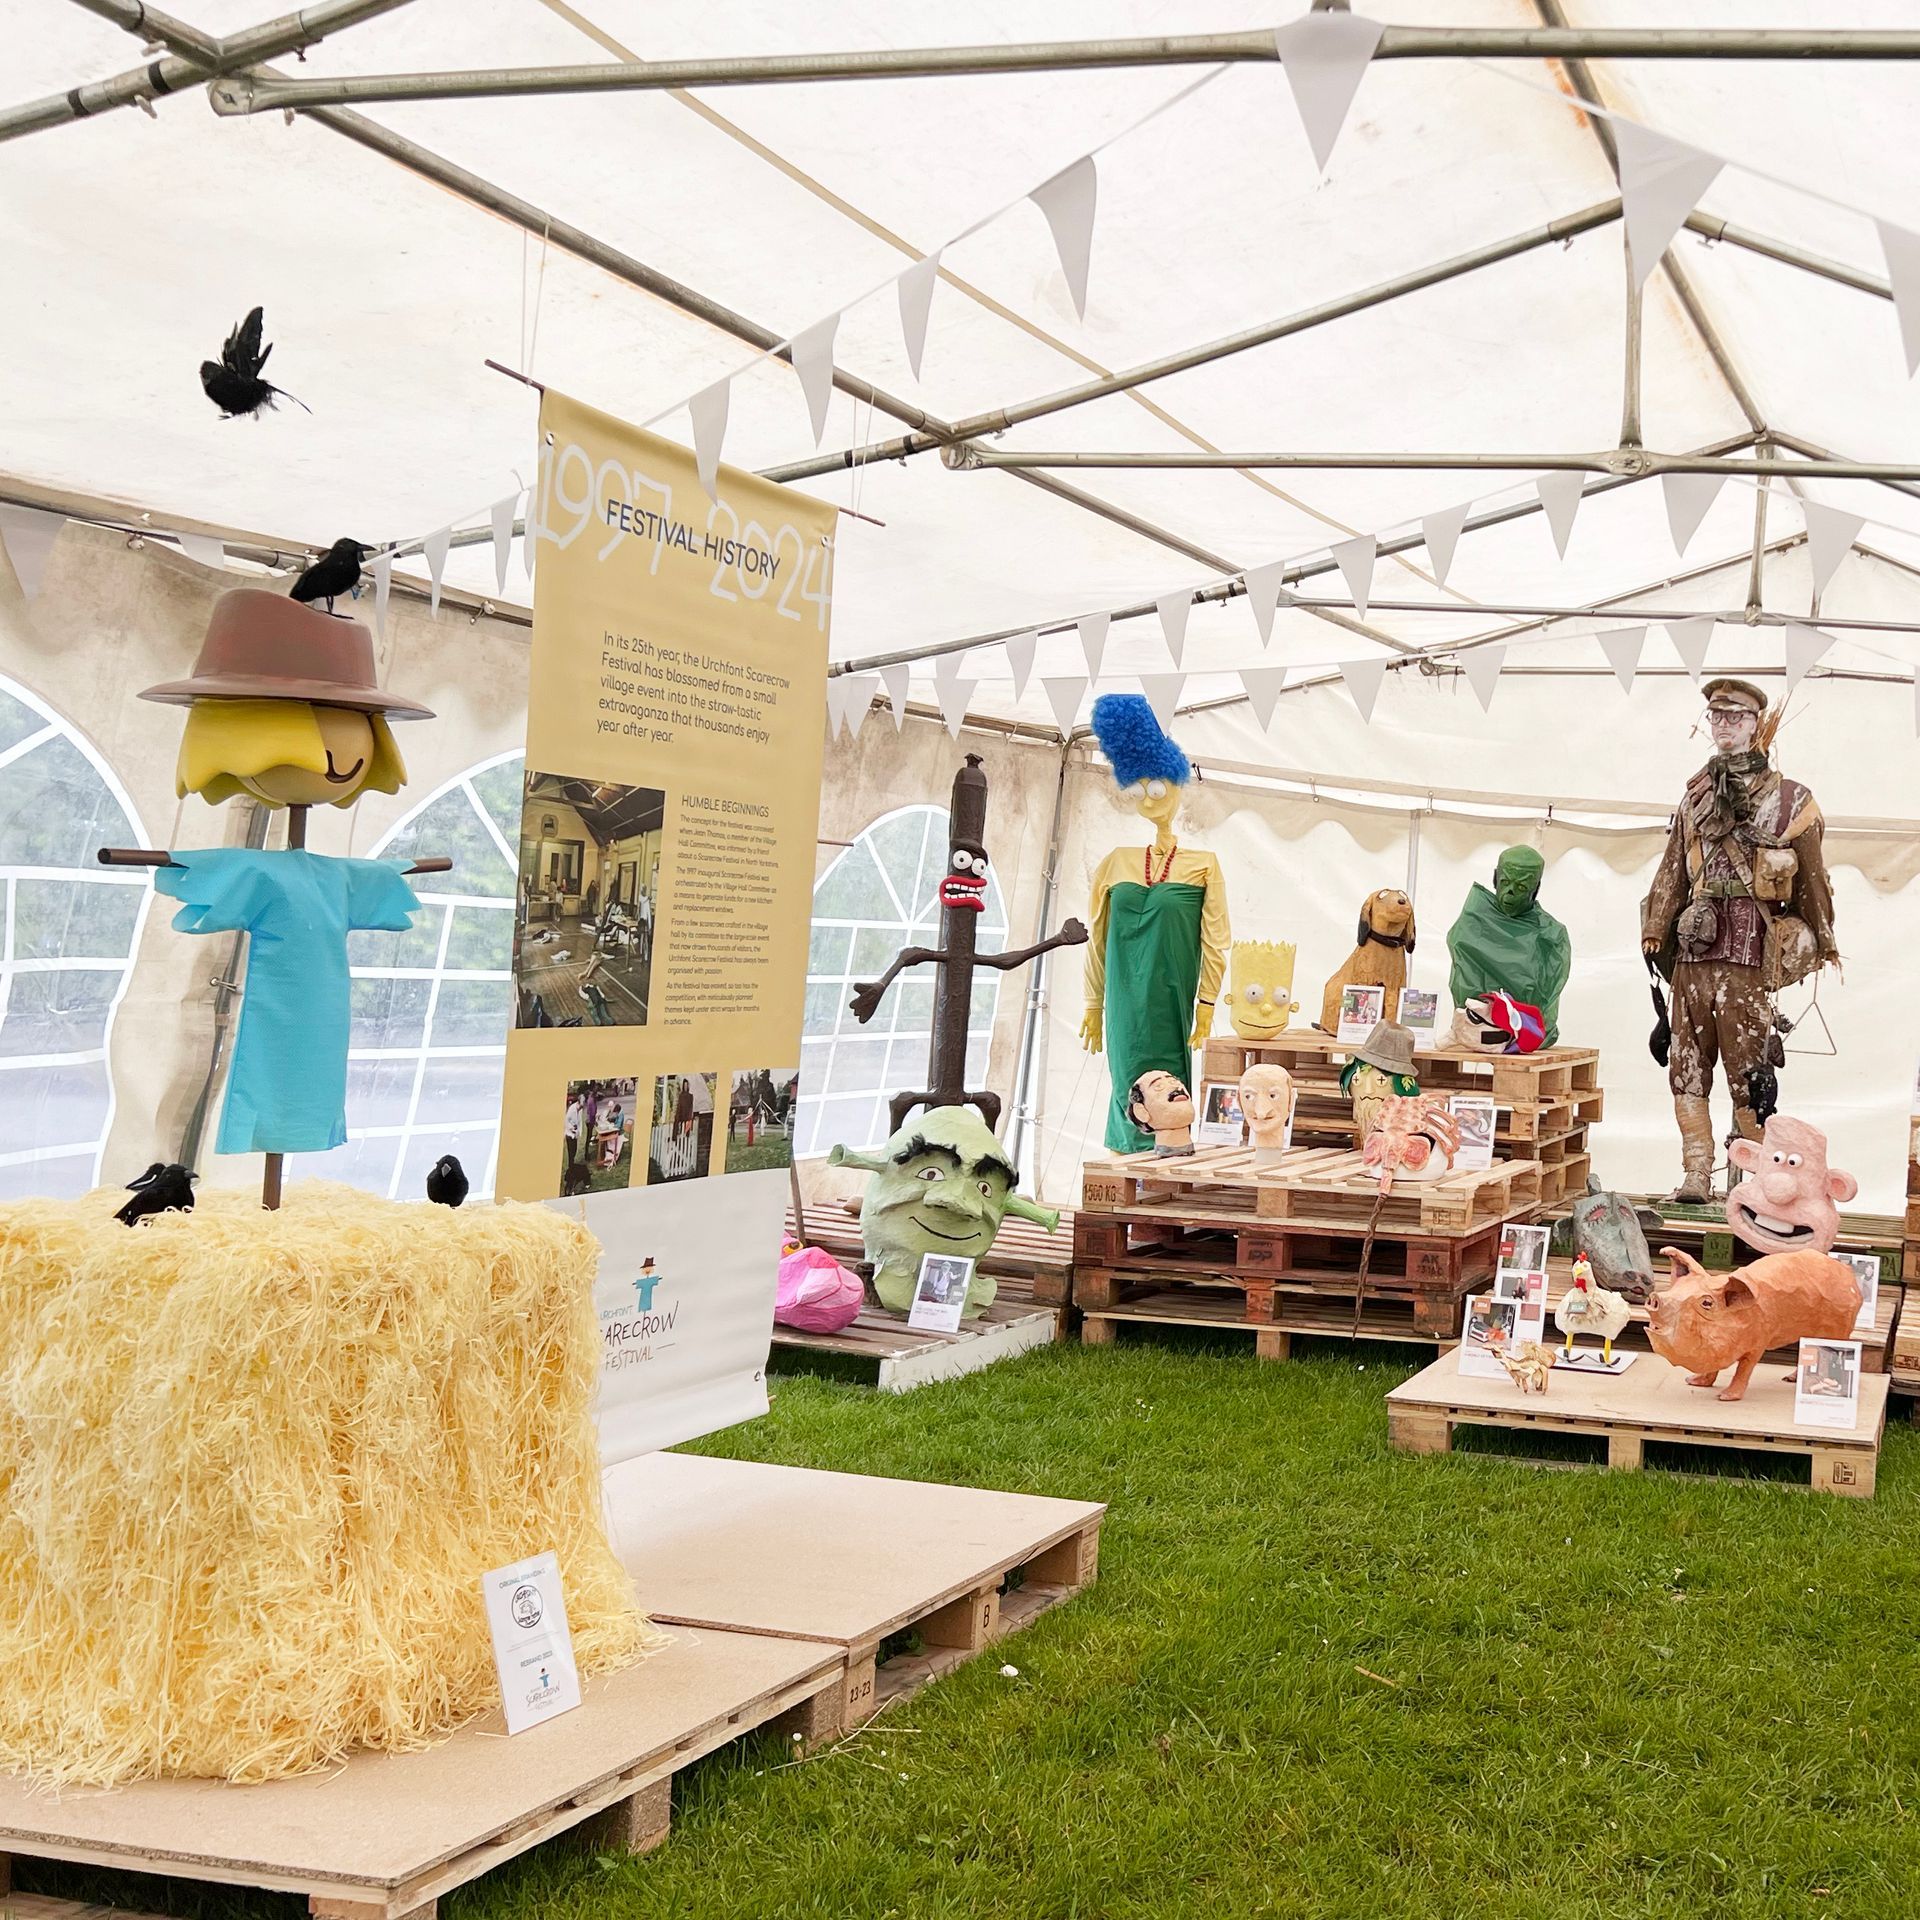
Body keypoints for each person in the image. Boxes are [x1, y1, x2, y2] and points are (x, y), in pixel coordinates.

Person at [1641, 677, 1837, 1202]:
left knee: (1749, 1070)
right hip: (1693, 948)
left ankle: (1756, 1181)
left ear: (1756, 724)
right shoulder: (1695, 797)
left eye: (1736, 717)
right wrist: (1656, 928)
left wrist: (1822, 938)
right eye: (1717, 716)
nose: (1724, 725)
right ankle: (1696, 1173)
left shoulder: (1791, 800)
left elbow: (1812, 877)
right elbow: (1672, 869)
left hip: (1750, 950)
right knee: (1686, 1063)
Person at [1081, 696, 1229, 1152]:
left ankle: (1167, 1162)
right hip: (1123, 999)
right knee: (1127, 1082)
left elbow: (1216, 941)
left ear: (1179, 782)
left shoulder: (1203, 865)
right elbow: (1097, 941)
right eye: (1139, 789)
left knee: (1168, 1085)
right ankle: (1122, 1161)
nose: (1150, 799)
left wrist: (1207, 1003)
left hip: (1171, 995)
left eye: (1159, 787)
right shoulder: (1115, 862)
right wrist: (1092, 1004)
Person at [1446, 846, 1573, 1046]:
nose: (1510, 892)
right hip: (1472, 1028)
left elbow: (1548, 998)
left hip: (1524, 1035)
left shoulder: (1550, 934)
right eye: (1505, 882)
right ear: (1495, 878)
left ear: (1535, 889)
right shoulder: (1474, 918)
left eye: (1521, 887)